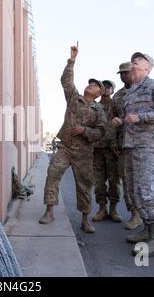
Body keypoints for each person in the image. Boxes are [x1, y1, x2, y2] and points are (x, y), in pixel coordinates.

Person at [112, 52, 154, 257]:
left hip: (148, 146)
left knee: (146, 191)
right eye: (134, 58)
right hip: (130, 146)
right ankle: (148, 230)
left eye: (140, 59)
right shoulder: (130, 92)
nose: (135, 60)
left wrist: (140, 117)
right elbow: (129, 117)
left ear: (148, 67)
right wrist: (121, 121)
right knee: (134, 191)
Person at [39, 42, 107, 234]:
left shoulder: (99, 110)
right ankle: (49, 210)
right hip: (66, 147)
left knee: (84, 185)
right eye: (90, 83)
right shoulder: (73, 98)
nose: (90, 85)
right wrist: (72, 59)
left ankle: (85, 218)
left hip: (84, 152)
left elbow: (101, 133)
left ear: (99, 93)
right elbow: (66, 81)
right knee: (53, 173)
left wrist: (84, 130)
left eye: (95, 85)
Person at [92, 80, 122, 223]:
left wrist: (117, 143)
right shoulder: (95, 106)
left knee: (114, 181)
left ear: (112, 90)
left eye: (109, 86)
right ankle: (102, 208)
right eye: (104, 86)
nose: (106, 89)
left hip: (112, 149)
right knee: (98, 181)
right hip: (97, 149)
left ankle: (114, 209)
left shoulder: (116, 104)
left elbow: (121, 124)